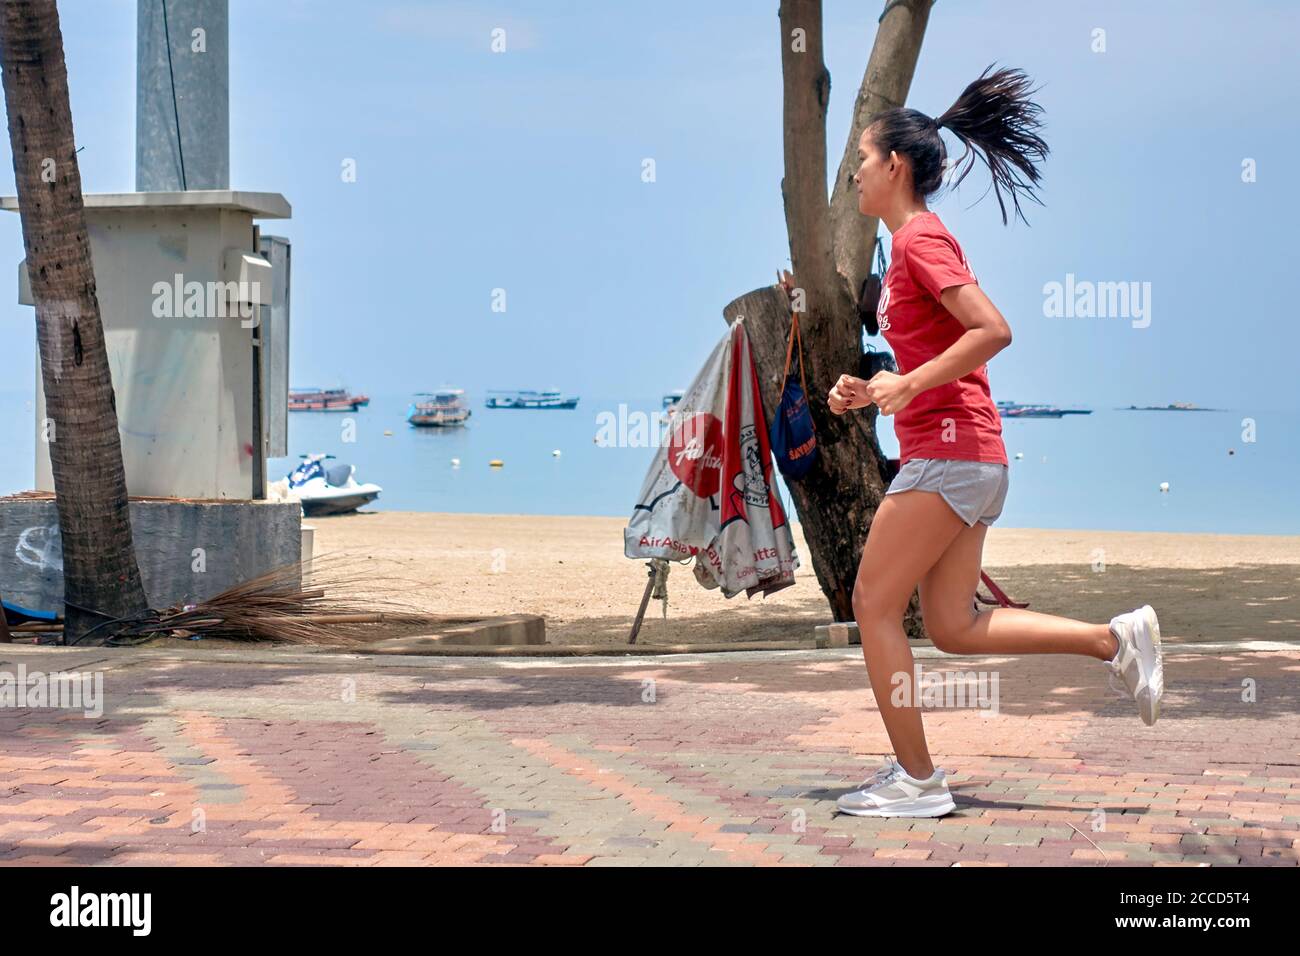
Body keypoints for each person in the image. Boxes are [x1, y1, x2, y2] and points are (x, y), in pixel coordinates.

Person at [827, 65, 1164, 819]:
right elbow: (940, 356)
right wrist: (876, 386)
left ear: (895, 165)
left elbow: (993, 329)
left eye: (860, 156)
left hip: (951, 458)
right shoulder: (911, 247)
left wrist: (907, 388)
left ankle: (916, 781)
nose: (852, 169)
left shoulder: (918, 241)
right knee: (951, 625)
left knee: (872, 602)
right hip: (965, 455)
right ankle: (1117, 641)